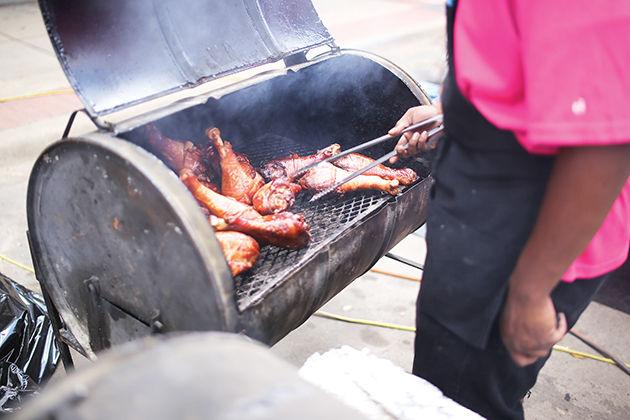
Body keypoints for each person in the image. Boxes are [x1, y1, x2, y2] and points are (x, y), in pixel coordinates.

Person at [388, 1, 630, 418]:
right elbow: (514, 50)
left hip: (515, 248)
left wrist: (529, 293)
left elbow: (602, 147)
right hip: (482, 227)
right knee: (440, 389)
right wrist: (456, 111)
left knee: (461, 402)